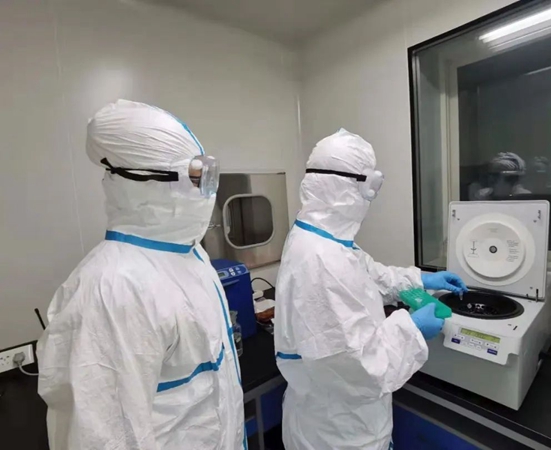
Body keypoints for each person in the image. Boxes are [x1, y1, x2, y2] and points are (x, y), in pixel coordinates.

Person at [37, 100, 246, 450]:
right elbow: (104, 438)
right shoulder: (111, 289)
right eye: (195, 179)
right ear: (141, 183)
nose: (206, 193)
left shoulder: (191, 257)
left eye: (208, 178)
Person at [274, 129, 468, 450]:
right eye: (371, 185)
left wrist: (421, 280)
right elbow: (360, 368)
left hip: (340, 418)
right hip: (338, 435)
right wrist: (412, 329)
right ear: (345, 186)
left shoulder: (324, 239)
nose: (371, 197)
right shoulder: (320, 260)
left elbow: (369, 276)